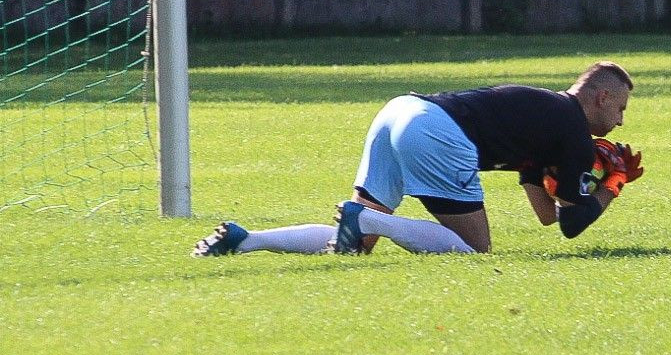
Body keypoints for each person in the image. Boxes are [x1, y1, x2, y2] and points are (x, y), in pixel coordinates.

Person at [194, 61, 643, 257]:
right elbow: (572, 224)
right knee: (475, 250)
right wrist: (615, 182)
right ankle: (367, 219)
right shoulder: (572, 129)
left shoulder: (551, 118)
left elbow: (547, 216)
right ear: (602, 98)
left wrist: (555, 180)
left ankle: (246, 240)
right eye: (620, 109)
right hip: (437, 130)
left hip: (400, 112)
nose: (620, 121)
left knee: (355, 247)